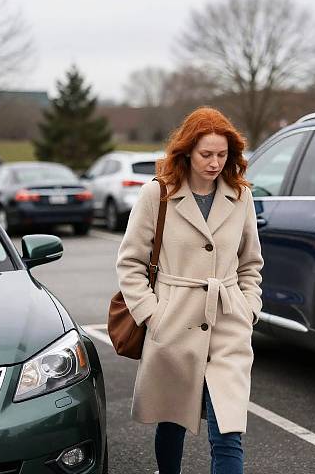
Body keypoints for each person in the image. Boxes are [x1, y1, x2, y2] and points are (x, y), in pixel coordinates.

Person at [116, 106, 264, 474]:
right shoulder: (158, 194)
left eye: (222, 155)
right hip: (174, 320)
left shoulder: (241, 196)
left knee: (228, 430)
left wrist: (249, 309)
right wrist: (154, 315)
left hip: (228, 319)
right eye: (206, 154)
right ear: (186, 152)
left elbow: (251, 263)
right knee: (172, 420)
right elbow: (130, 263)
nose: (215, 163)